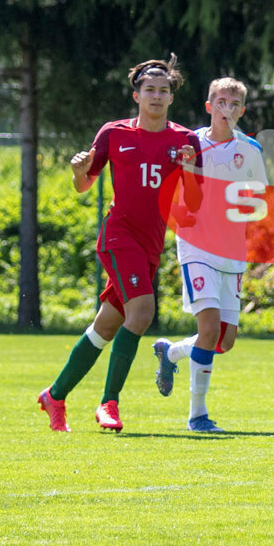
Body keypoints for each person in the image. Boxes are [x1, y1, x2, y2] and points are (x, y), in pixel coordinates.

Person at [37, 55, 202, 433]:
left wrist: (191, 170)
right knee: (141, 314)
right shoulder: (114, 133)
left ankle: (55, 395)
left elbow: (194, 203)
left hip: (150, 246)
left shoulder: (186, 140)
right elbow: (84, 185)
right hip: (118, 236)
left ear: (171, 98)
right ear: (136, 95)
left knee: (106, 328)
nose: (157, 96)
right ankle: (108, 403)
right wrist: (79, 173)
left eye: (164, 90)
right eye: (150, 90)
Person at [152, 77, 267, 432]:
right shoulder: (190, 144)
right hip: (197, 245)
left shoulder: (250, 150)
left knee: (224, 341)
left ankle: (171, 353)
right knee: (209, 327)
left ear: (242, 111)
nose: (226, 110)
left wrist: (244, 206)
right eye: (220, 102)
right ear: (208, 106)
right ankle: (197, 416)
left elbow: (260, 201)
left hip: (232, 250)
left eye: (234, 104)